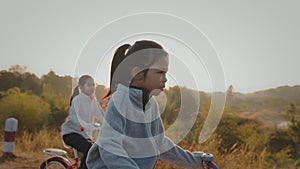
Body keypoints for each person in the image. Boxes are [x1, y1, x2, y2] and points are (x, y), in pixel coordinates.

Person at [87, 40, 212, 169]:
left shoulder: (151, 105)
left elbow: (160, 142)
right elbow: (109, 145)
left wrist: (196, 161)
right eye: (160, 72)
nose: (165, 79)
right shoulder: (120, 100)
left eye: (165, 73)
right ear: (138, 74)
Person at [62, 75, 104, 169]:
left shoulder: (93, 101)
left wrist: (110, 125)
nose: (92, 87)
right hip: (71, 134)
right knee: (90, 150)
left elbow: (101, 115)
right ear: (81, 87)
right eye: (89, 85)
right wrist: (89, 126)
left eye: (93, 85)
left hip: (83, 134)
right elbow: (75, 118)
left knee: (96, 150)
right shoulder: (77, 100)